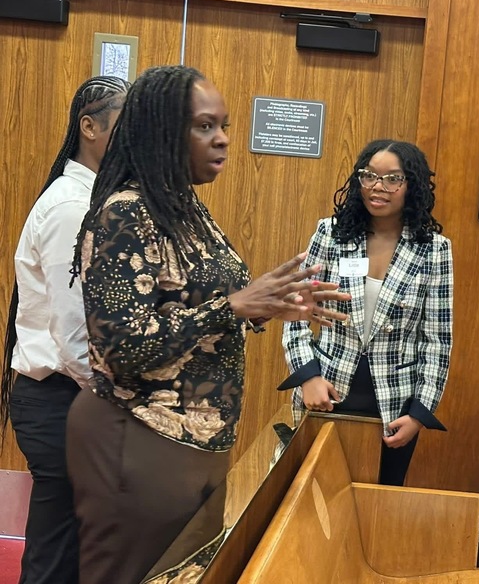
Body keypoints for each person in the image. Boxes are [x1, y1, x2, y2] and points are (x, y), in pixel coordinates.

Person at [64, 65, 349, 584]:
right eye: (203, 126)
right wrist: (234, 306)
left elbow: (204, 307)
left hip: (197, 441)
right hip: (139, 435)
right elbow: (121, 347)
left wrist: (268, 303)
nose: (222, 140)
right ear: (161, 130)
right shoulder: (125, 214)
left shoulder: (183, 205)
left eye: (225, 126)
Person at [0, 75, 130, 584]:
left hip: (71, 398)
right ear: (89, 127)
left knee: (75, 549)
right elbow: (74, 335)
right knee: (56, 556)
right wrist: (118, 396)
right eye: (125, 125)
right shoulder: (71, 205)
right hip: (60, 397)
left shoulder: (96, 197)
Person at [280, 139, 453, 486]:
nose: (378, 186)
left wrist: (419, 414)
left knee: (376, 509)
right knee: (310, 502)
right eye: (369, 176)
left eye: (392, 179)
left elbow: (437, 341)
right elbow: (297, 312)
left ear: (412, 186)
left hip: (394, 405)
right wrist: (308, 376)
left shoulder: (434, 251)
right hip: (325, 393)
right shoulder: (330, 234)